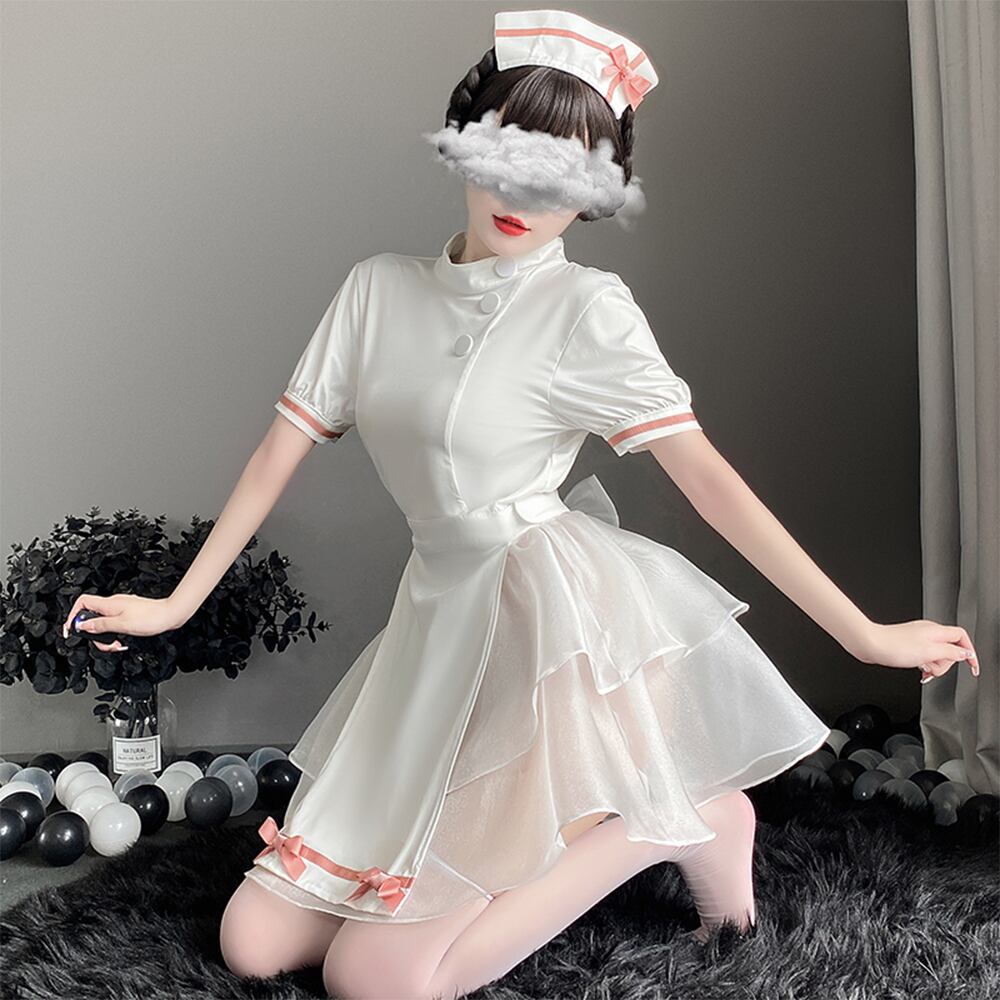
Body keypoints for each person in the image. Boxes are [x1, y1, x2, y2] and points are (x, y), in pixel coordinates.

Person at [63, 9, 979, 999]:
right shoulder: (377, 291)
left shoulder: (585, 310)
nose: (526, 196)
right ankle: (610, 832)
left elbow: (709, 480)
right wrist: (175, 604)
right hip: (434, 625)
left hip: (539, 633)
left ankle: (683, 823)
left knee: (376, 981)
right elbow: (272, 458)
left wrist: (862, 632)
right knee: (252, 943)